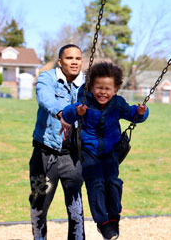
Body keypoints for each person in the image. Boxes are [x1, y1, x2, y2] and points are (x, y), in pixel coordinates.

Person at [62, 62, 149, 240]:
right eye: (99, 87)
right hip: (89, 150)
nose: (103, 92)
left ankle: (114, 218)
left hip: (111, 150)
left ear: (116, 89)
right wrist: (77, 111)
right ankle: (102, 223)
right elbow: (67, 114)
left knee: (113, 183)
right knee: (96, 184)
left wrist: (141, 112)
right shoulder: (85, 101)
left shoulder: (117, 104)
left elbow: (133, 114)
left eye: (108, 88)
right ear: (91, 87)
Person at [29, 44, 85, 240]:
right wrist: (61, 112)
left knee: (76, 209)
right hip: (45, 153)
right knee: (39, 206)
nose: (75, 62)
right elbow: (44, 97)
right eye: (70, 58)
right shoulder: (48, 78)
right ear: (60, 62)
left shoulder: (86, 84)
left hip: (73, 156)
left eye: (78, 58)